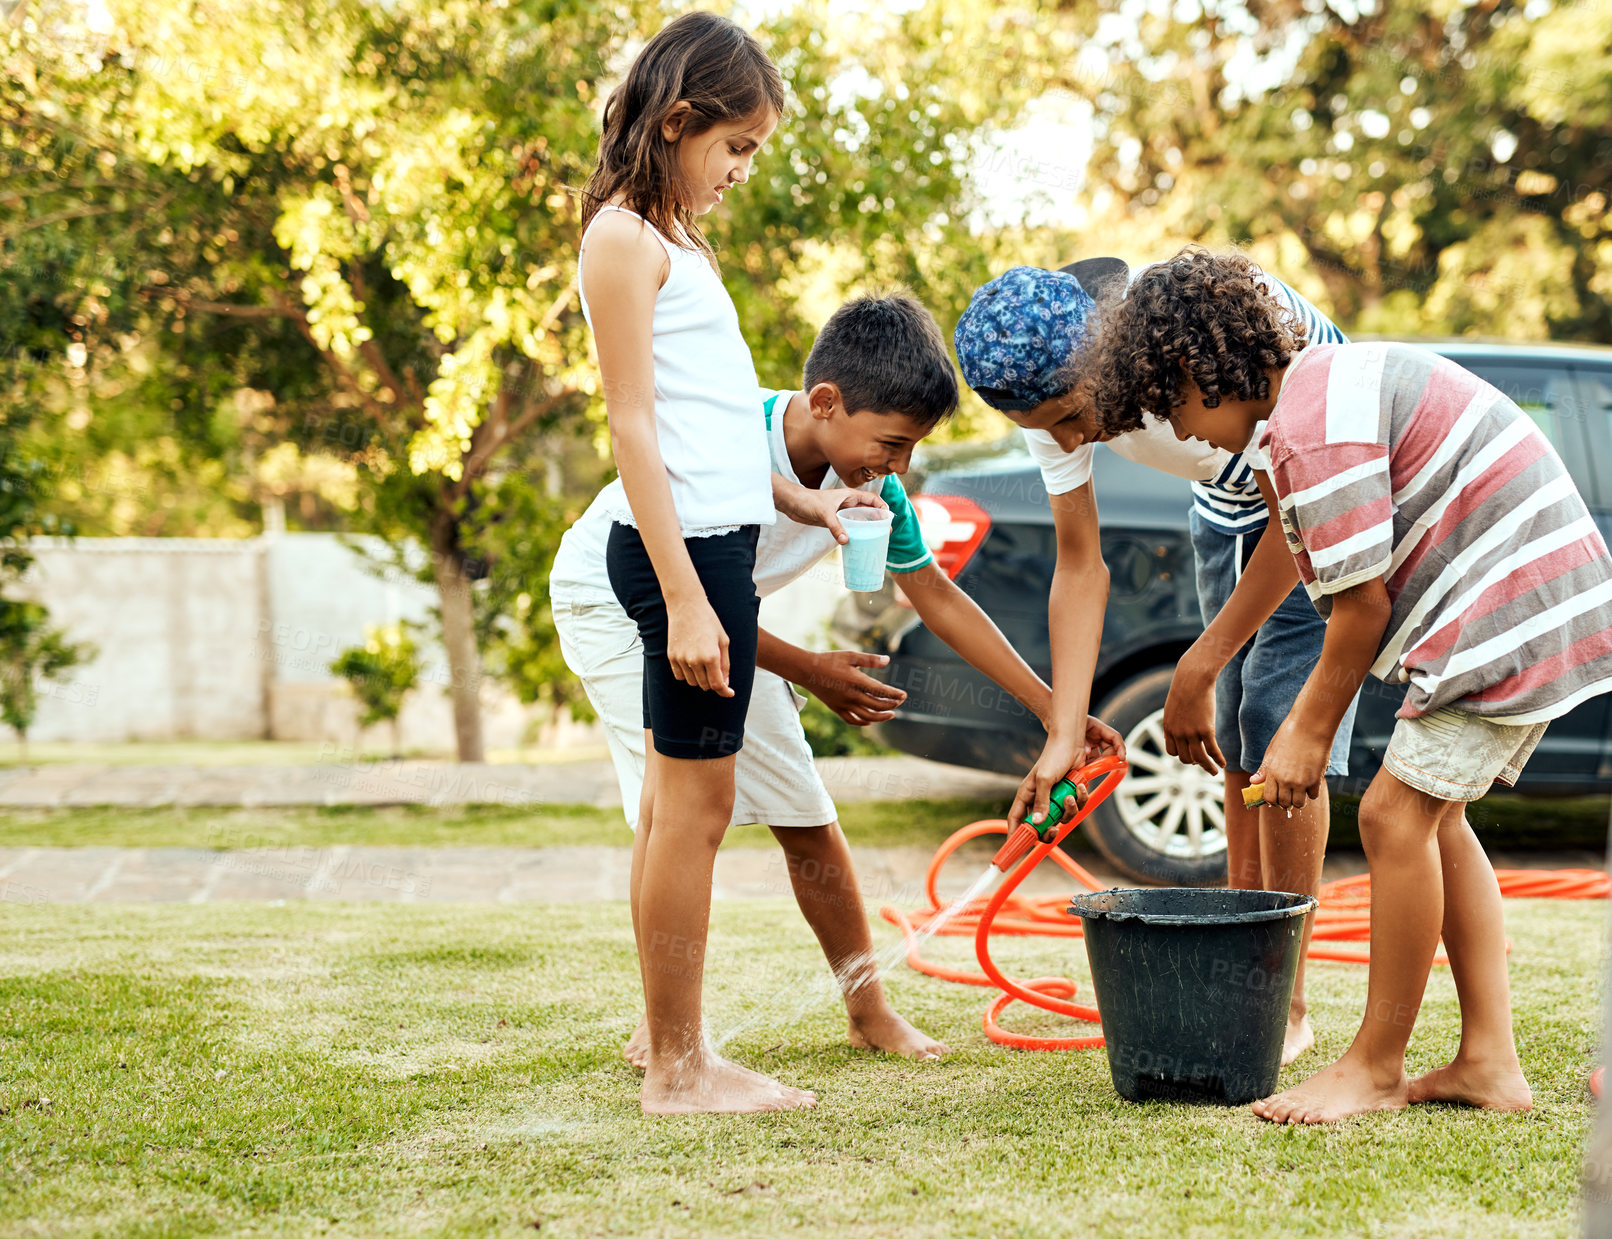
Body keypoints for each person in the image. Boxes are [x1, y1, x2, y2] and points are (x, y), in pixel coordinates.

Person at [1086, 246, 1612, 1123]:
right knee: (1437, 823)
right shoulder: (1310, 398)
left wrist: (1305, 732)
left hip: (1508, 608)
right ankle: (1489, 1060)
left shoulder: (1312, 425)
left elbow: (1360, 609)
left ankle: (1374, 1065)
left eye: (1171, 406)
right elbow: (1310, 563)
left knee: (1389, 815)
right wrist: (1218, 668)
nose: (1178, 433)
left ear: (1200, 369)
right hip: (1537, 599)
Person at [554, 291, 1114, 1071]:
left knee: (807, 815)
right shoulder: (726, 433)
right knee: (676, 807)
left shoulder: (875, 491)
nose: (899, 468)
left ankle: (869, 1010)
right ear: (825, 403)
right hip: (618, 599)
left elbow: (940, 600)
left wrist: (1059, 713)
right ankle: (665, 1031)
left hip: (727, 617)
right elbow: (687, 597)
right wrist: (812, 671)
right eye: (891, 442)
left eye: (912, 449)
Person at [575, 11, 880, 1115]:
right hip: (681, 565)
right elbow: (635, 431)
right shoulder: (623, 240)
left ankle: (667, 1046)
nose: (742, 171)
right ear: (676, 120)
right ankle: (677, 1066)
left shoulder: (680, 244)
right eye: (735, 147)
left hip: (709, 546)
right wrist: (688, 600)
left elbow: (709, 429)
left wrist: (798, 497)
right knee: (693, 817)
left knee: (675, 809)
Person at [952, 258, 1358, 1063]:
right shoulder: (1043, 380)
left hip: (1329, 490)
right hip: (1230, 506)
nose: (1069, 442)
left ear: (1106, 357)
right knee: (1238, 743)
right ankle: (1248, 965)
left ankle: (1285, 996)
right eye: (1046, 429)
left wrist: (1198, 664)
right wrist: (1062, 731)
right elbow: (1079, 565)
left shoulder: (1208, 334)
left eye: (1071, 415)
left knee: (1277, 728)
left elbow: (1300, 516)